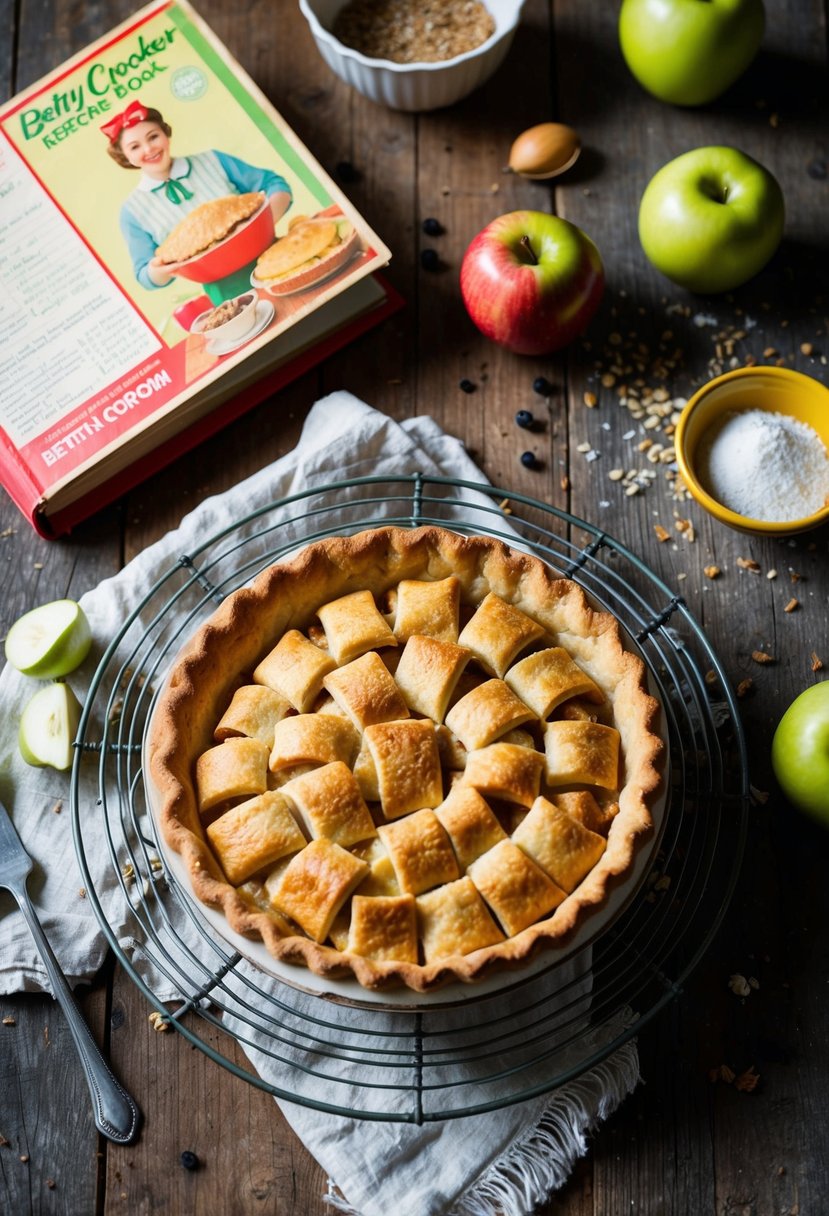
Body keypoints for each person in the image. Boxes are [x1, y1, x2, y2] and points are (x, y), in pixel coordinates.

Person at [102, 99, 292, 290]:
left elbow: (275, 185)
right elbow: (144, 276)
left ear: (165, 134)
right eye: (135, 147)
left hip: (276, 257)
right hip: (225, 289)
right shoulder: (132, 211)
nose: (149, 149)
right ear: (125, 156)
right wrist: (159, 269)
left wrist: (260, 225)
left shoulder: (213, 160)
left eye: (153, 137)